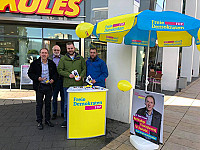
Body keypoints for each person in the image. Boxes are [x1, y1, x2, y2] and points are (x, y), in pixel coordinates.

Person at [28, 48, 58, 130]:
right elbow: (30, 73)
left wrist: (53, 79)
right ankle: (39, 121)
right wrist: (37, 78)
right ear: (40, 54)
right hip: (39, 86)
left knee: (48, 104)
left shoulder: (51, 63)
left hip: (49, 86)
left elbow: (56, 73)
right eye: (42, 53)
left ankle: (47, 120)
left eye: (45, 53)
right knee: (39, 104)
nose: (44, 54)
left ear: (48, 54)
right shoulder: (35, 63)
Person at [57, 42, 86, 128]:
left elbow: (84, 69)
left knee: (78, 104)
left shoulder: (80, 58)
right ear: (66, 49)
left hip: (78, 85)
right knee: (67, 104)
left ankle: (78, 119)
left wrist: (81, 75)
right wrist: (68, 75)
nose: (70, 50)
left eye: (71, 48)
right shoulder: (63, 59)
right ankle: (66, 120)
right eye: (68, 48)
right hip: (67, 85)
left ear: (74, 48)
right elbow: (60, 70)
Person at [49, 45, 64, 120]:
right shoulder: (49, 58)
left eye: (58, 50)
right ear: (52, 50)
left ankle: (63, 112)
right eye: (55, 50)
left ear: (60, 51)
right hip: (54, 81)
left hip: (62, 80)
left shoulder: (64, 58)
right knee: (54, 97)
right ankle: (54, 113)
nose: (56, 52)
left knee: (63, 98)